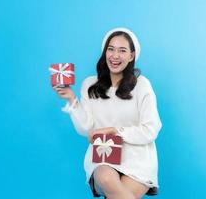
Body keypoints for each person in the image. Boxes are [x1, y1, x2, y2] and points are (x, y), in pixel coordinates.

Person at [53, 27, 162, 199]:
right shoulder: (90, 85)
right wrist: (71, 99)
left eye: (122, 50)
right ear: (105, 52)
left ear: (132, 56)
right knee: (105, 177)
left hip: (137, 158)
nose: (115, 55)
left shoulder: (142, 85)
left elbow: (151, 129)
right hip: (103, 155)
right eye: (110, 49)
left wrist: (115, 131)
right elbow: (85, 128)